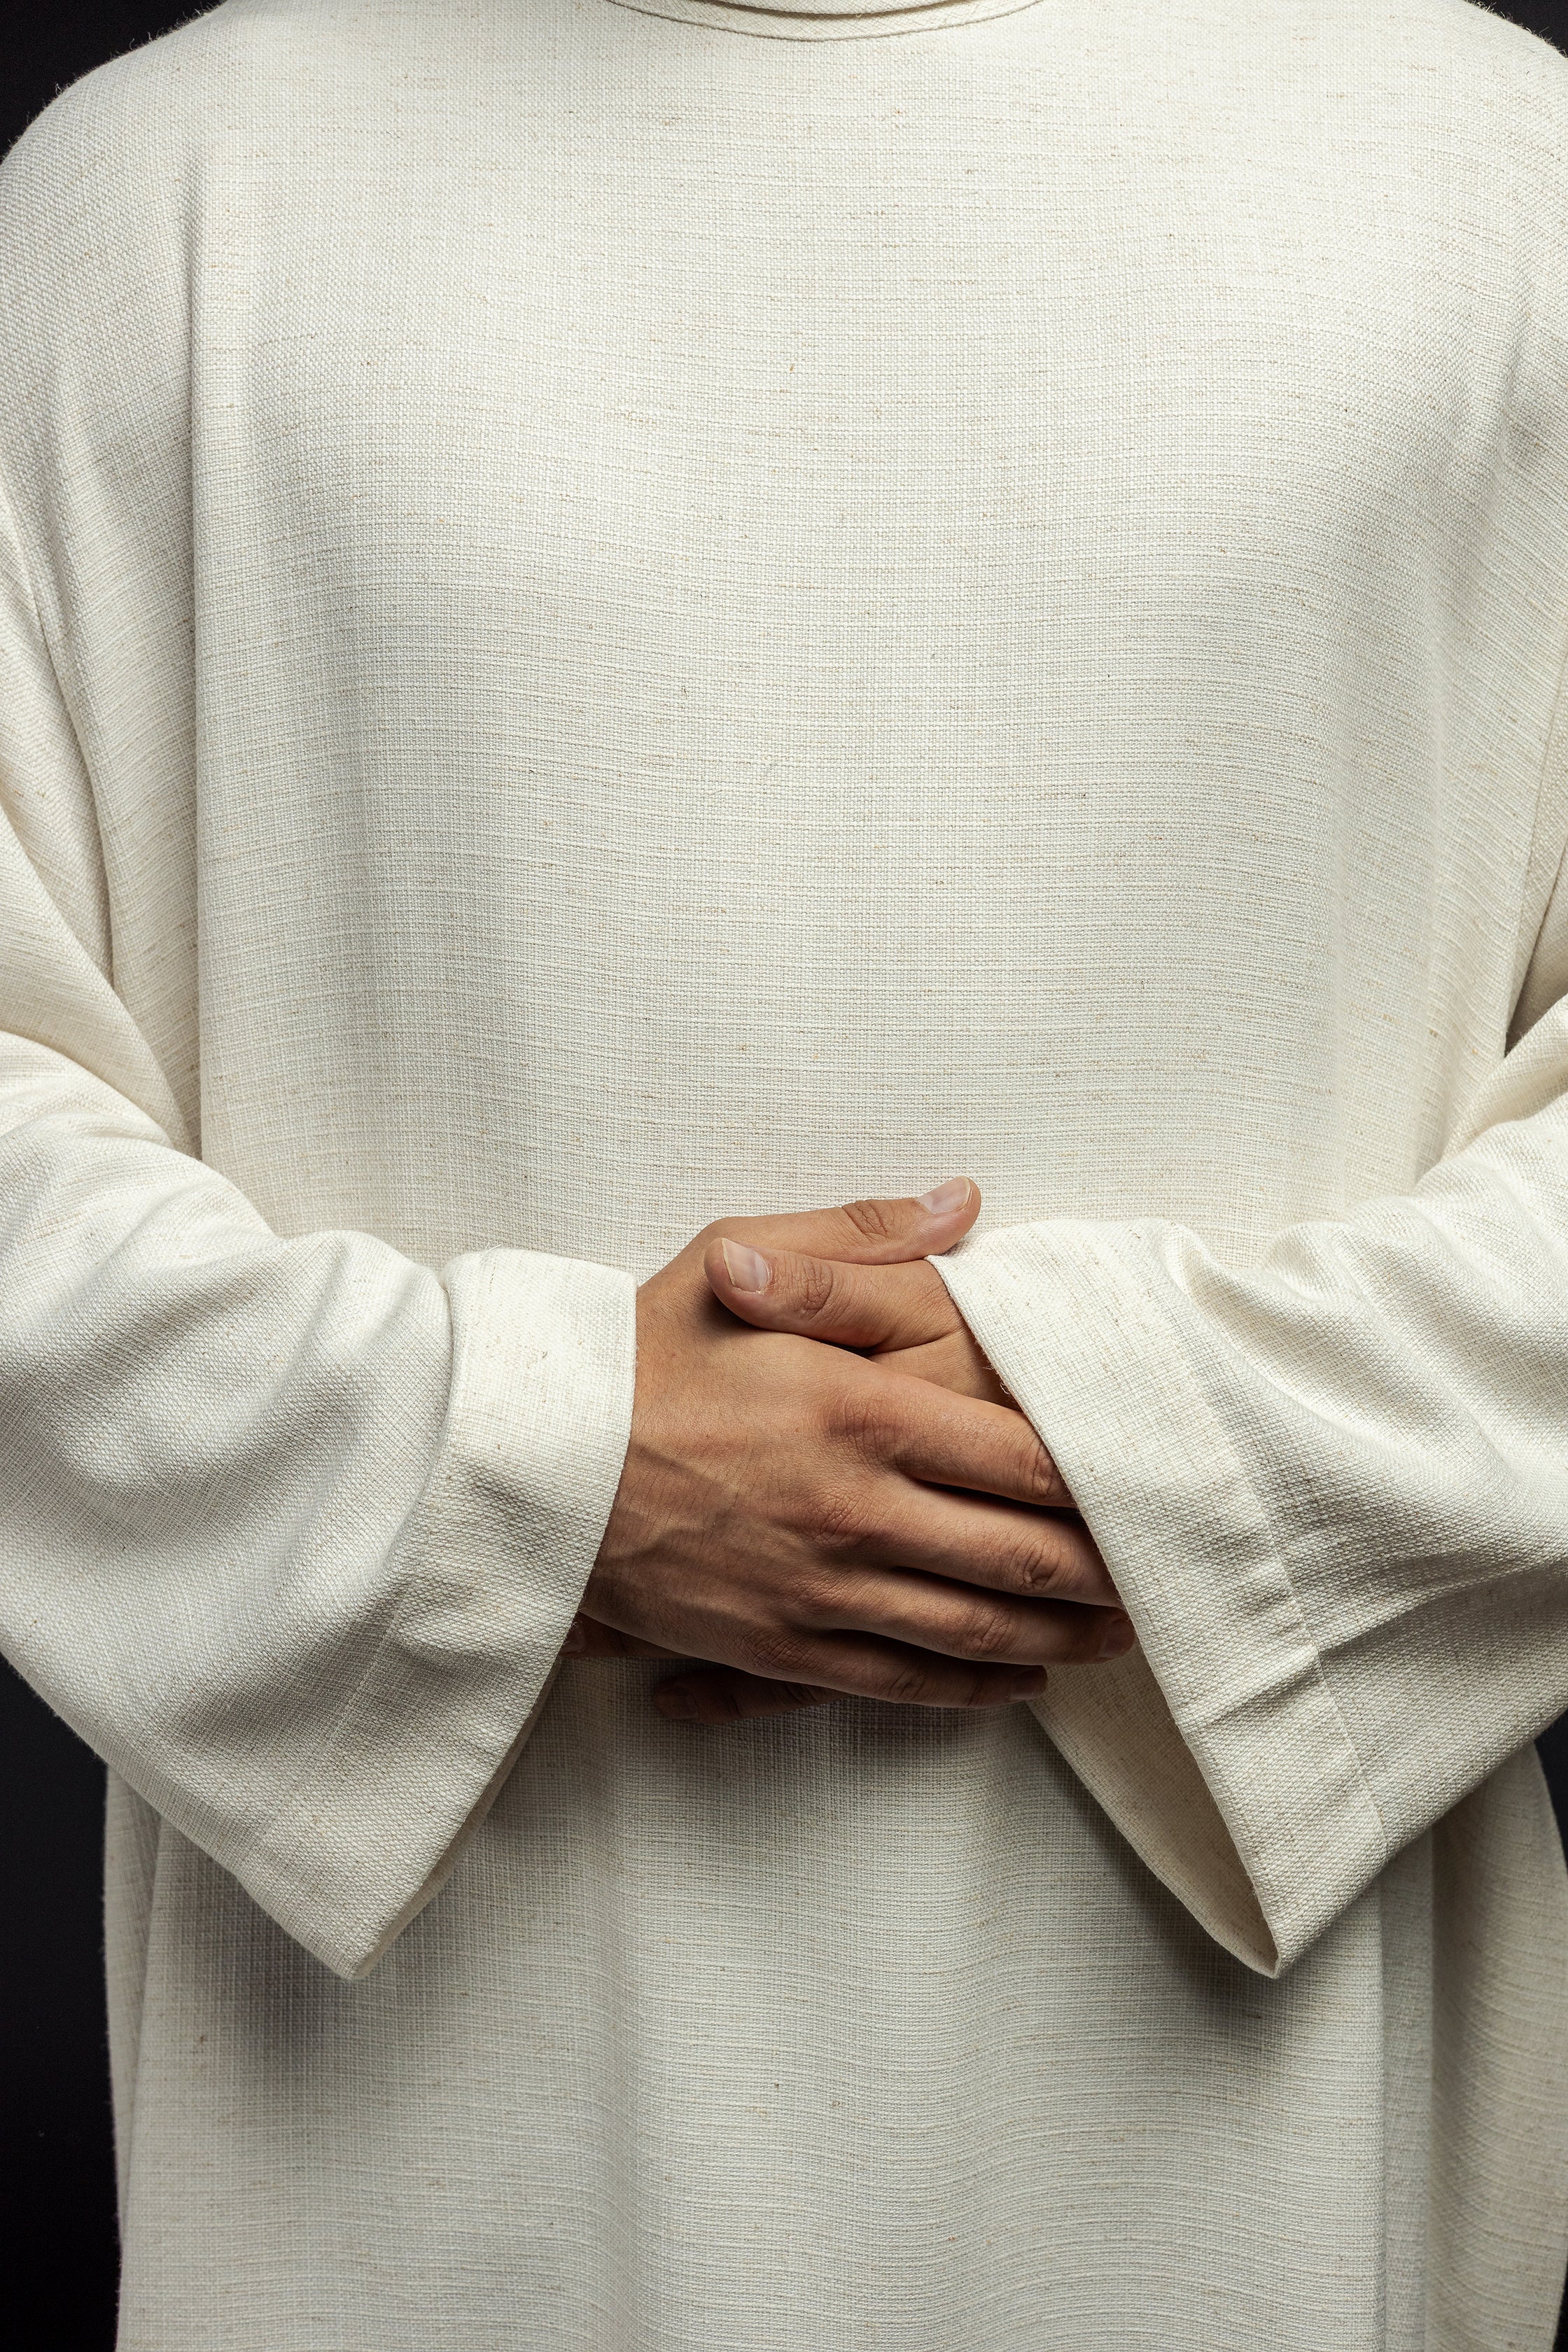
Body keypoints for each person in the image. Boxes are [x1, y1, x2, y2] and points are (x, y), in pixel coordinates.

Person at [2, 0, 1567, 2342]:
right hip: (423, 2114)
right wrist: (540, 1465)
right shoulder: (148, 202)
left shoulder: (1503, 180)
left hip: (1225, 2106)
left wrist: (1147, 1431)